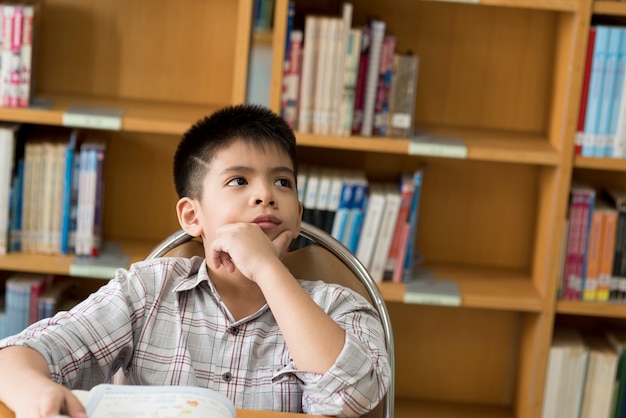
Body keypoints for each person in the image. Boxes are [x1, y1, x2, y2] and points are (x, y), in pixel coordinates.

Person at [0, 104, 391, 418]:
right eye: (239, 180)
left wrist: (267, 269)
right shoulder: (147, 291)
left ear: (299, 214)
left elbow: (352, 398)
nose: (266, 196)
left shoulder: (340, 306)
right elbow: (15, 356)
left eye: (282, 182)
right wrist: (35, 389)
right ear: (192, 217)